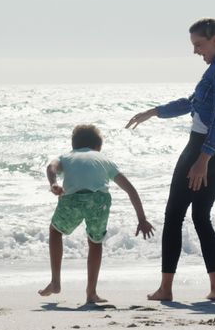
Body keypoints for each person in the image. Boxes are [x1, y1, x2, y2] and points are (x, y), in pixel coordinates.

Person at [125, 18, 215, 302]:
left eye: (199, 44)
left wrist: (203, 158)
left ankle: (166, 289)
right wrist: (155, 112)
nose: (196, 51)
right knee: (200, 216)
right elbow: (192, 103)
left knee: (174, 215)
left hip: (205, 147)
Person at [39, 124, 155, 304]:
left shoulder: (67, 156)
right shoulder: (103, 159)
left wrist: (53, 183)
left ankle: (55, 282)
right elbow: (130, 189)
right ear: (98, 147)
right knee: (95, 242)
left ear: (74, 145)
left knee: (55, 231)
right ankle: (91, 293)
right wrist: (142, 219)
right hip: (99, 201)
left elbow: (51, 167)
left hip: (73, 199)